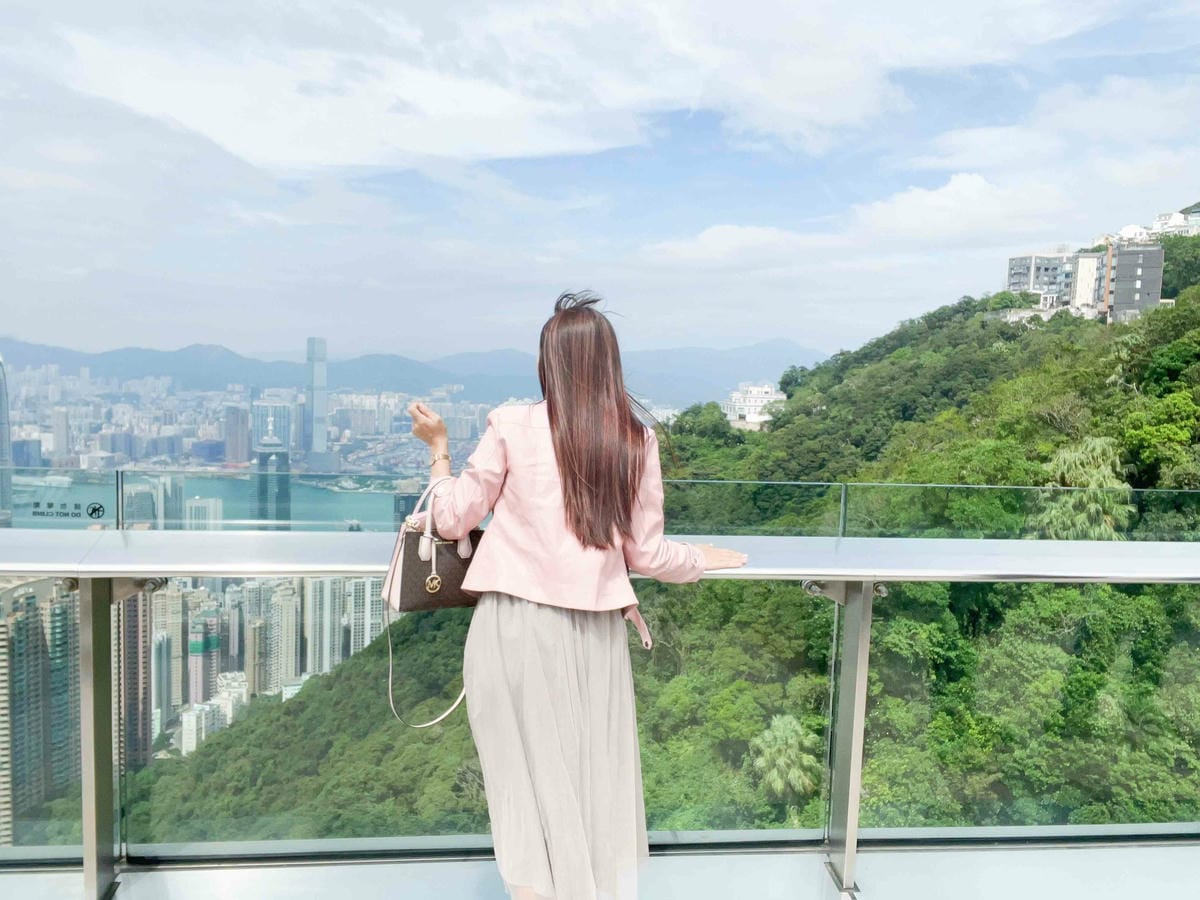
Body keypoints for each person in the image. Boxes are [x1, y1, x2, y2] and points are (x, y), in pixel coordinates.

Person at [407, 292, 748, 900]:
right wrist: (700, 558)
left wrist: (438, 453)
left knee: (523, 792)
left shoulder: (511, 424)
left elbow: (454, 519)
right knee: (592, 793)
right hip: (595, 637)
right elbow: (646, 555)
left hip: (514, 629)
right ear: (608, 364)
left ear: (549, 363)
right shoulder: (634, 440)